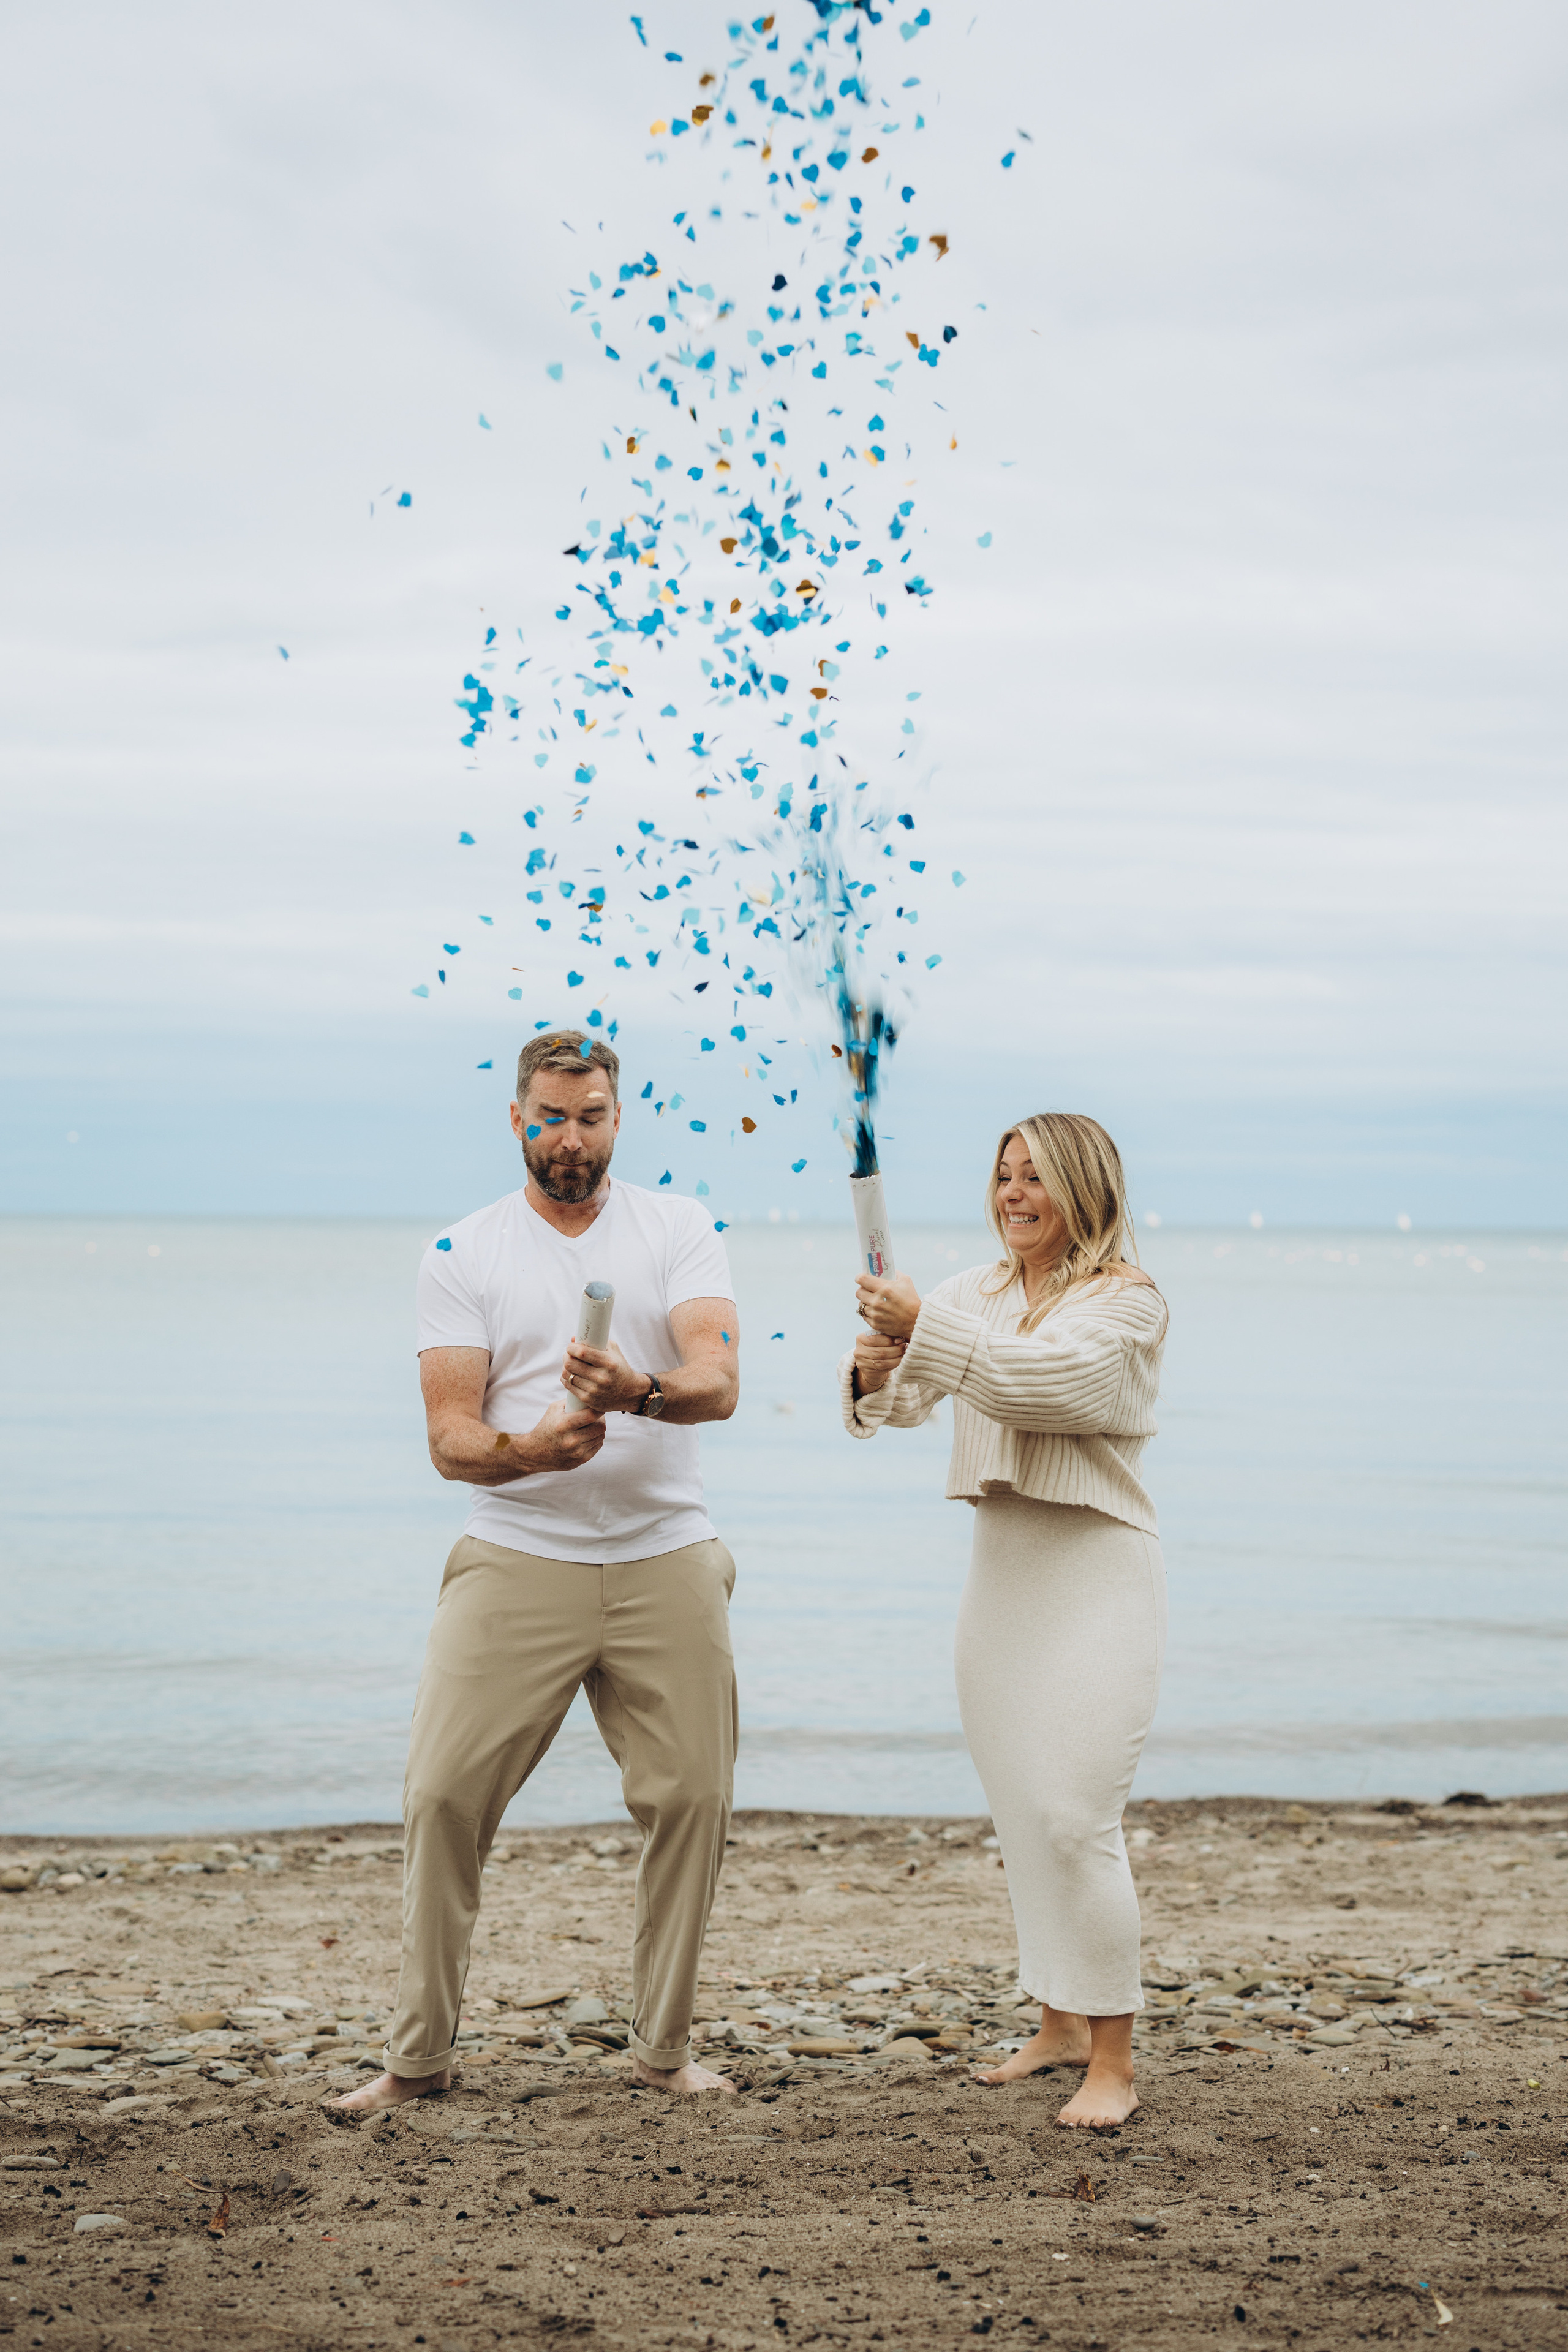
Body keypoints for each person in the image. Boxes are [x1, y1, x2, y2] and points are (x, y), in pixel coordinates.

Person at [339, 1028, 742, 2113]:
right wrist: (535, 1452)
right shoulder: (463, 1253)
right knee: (440, 1798)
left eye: (593, 1115)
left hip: (666, 1554)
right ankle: (416, 2062)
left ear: (620, 1117)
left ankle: (663, 2051)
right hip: (518, 1555)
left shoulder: (681, 1228)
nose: (573, 1137)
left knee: (694, 1800)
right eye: (552, 1116)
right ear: (517, 1117)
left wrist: (637, 1391)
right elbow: (450, 1438)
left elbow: (718, 1377)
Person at [842, 1113, 1166, 2130]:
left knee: (1078, 1816)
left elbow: (1053, 1386)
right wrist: (874, 1369)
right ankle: (1058, 2022)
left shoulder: (1129, 1301)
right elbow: (896, 1409)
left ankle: (1112, 2058)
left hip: (1098, 1573)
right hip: (1002, 1577)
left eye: (1037, 1178)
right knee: (1026, 1817)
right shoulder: (969, 1294)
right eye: (1004, 1175)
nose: (1014, 1194)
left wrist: (924, 1330)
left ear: (1085, 1188)